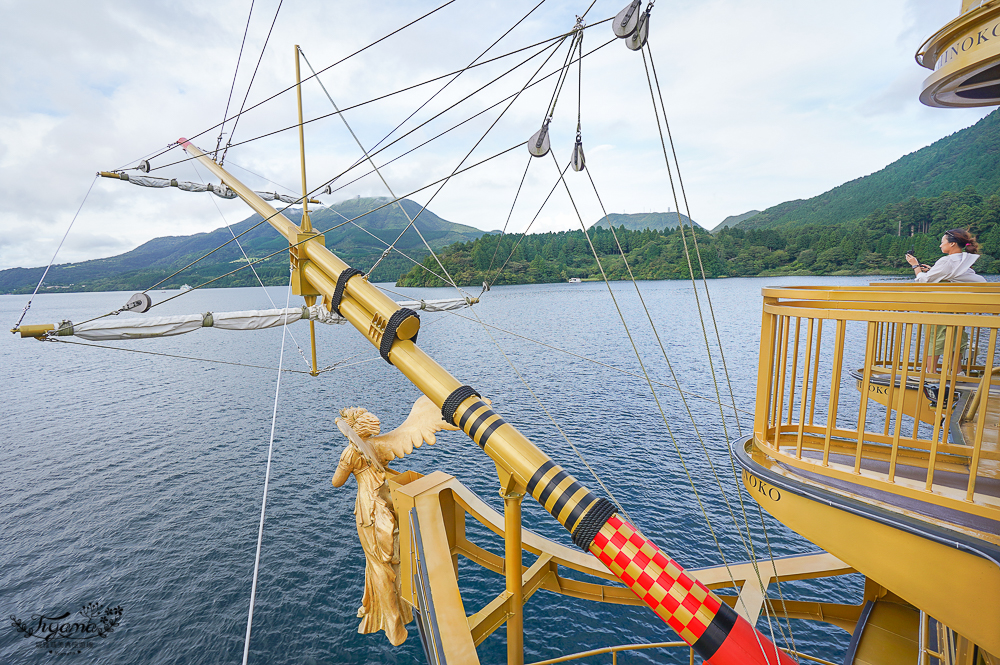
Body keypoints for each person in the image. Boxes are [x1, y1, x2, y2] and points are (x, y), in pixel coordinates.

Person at [904, 228, 986, 375]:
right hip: (959, 307)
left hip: (941, 305)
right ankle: (956, 372)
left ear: (952, 244)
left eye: (943, 242)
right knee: (957, 337)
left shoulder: (946, 261)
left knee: (935, 337)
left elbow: (924, 281)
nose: (940, 246)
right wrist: (934, 271)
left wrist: (915, 266)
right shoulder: (964, 260)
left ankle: (931, 372)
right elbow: (969, 278)